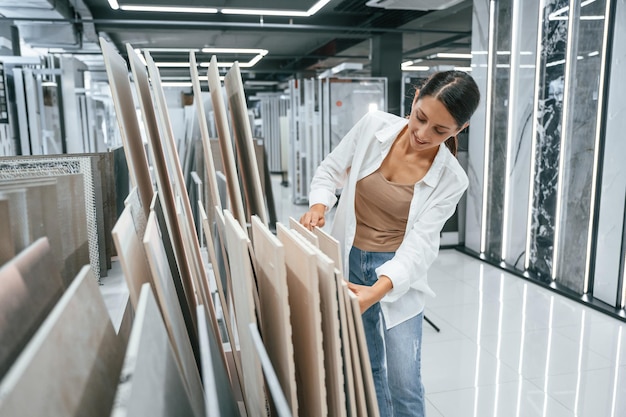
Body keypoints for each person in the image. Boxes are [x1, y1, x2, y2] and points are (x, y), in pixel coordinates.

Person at [299, 70, 480, 417]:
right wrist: (319, 205)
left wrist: (379, 289)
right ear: (413, 100)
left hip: (397, 277)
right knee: (367, 367)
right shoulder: (373, 128)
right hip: (350, 260)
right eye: (420, 118)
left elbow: (421, 246)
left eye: (440, 131)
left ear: (460, 130)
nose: (422, 134)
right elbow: (329, 171)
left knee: (405, 382)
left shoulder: (451, 178)